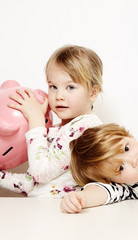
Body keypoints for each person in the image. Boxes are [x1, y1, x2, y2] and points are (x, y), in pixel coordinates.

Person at [0, 45, 103, 198]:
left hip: (61, 212)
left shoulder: (85, 129)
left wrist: (36, 120)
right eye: (53, 86)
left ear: (93, 93)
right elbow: (34, 184)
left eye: (70, 87)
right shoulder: (61, 129)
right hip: (44, 209)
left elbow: (40, 173)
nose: (59, 95)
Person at [60, 123, 138, 213]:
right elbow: (101, 191)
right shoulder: (130, 188)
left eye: (126, 148)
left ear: (130, 137)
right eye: (121, 168)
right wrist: (81, 198)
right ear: (114, 181)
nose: (133, 160)